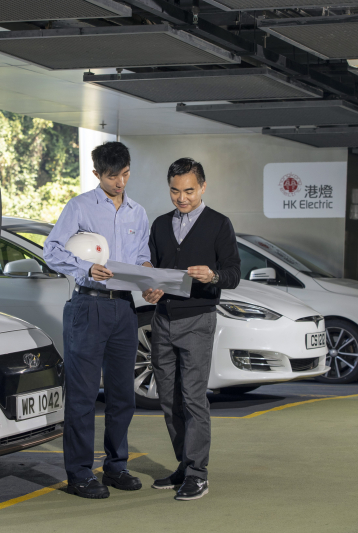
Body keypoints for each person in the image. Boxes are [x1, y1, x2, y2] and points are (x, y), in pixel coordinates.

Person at [44, 142, 152, 499]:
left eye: (125, 175)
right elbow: (51, 250)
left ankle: (116, 467)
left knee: (123, 395)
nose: (119, 183)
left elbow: (141, 255)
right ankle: (79, 474)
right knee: (83, 395)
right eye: (111, 177)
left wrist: (148, 272)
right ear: (97, 174)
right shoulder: (79, 206)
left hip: (124, 308)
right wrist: (86, 267)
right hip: (88, 306)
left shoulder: (138, 213)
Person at [142, 157, 241, 501]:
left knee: (193, 397)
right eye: (175, 191)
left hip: (198, 319)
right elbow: (151, 268)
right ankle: (184, 465)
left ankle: (198, 473)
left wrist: (213, 276)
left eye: (188, 191)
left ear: (202, 187)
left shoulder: (219, 224)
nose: (181, 198)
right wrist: (149, 288)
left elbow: (233, 274)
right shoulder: (159, 224)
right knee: (168, 398)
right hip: (162, 319)